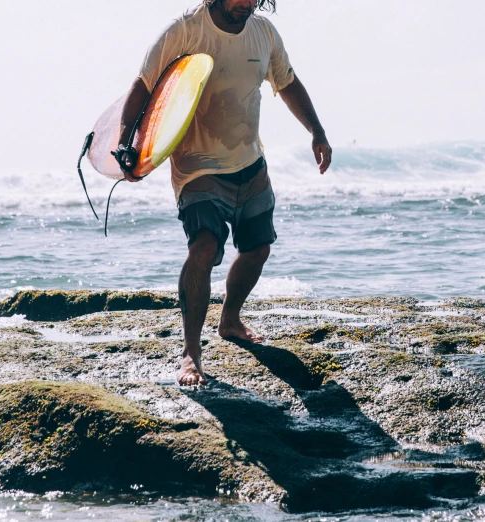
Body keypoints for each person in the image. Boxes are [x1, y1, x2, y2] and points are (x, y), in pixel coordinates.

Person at [116, 0, 332, 385]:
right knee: (204, 247)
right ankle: (190, 353)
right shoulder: (185, 31)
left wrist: (317, 131)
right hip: (197, 167)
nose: (245, 3)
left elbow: (287, 83)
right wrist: (126, 145)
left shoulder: (263, 33)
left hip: (249, 162)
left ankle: (229, 319)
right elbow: (142, 86)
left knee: (257, 249)